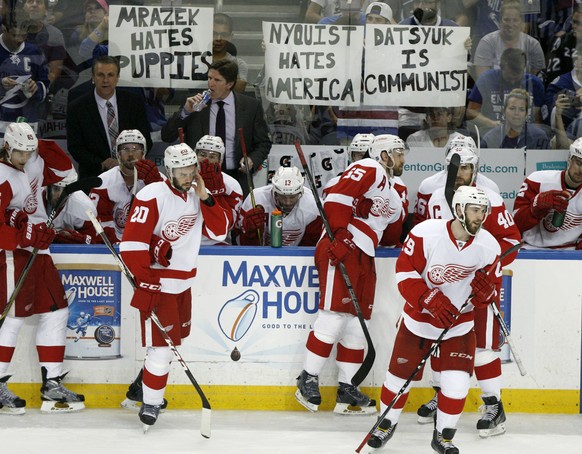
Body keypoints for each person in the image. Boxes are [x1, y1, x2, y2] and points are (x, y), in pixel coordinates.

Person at [367, 186, 501, 452]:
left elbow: (489, 289)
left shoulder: (489, 246)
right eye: (476, 210)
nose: (481, 216)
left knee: (457, 384)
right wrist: (428, 298)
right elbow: (404, 272)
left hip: (459, 325)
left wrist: (486, 295)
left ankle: (443, 436)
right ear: (460, 210)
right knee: (398, 378)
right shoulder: (425, 233)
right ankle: (384, 425)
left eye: (484, 211)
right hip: (418, 321)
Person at [119, 142, 233, 429]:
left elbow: (220, 231)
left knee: (170, 344)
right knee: (162, 349)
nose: (188, 176)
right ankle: (151, 404)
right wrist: (146, 281)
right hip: (158, 284)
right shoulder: (152, 195)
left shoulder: (197, 193)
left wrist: (206, 197)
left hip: (184, 284)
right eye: (182, 171)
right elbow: (131, 246)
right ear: (169, 171)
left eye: (191, 169)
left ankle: (139, 390)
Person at [413, 146, 521, 438]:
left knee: (483, 348)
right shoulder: (436, 199)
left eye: (465, 168)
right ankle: (443, 395)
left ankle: (494, 406)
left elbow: (512, 241)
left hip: (479, 289)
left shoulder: (490, 199)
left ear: (475, 170)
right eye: (455, 167)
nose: (459, 174)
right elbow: (424, 238)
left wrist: (488, 272)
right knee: (439, 343)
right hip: (445, 286)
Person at [295, 134, 403, 415]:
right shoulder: (369, 167)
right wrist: (341, 235)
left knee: (357, 323)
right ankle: (306, 378)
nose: (403, 158)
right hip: (343, 246)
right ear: (383, 154)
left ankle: (347, 388)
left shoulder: (391, 187)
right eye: (398, 152)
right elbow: (337, 197)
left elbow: (390, 232)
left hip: (365, 253)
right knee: (333, 316)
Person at [0, 122, 85, 415]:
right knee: (13, 318)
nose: (25, 158)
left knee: (56, 310)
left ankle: (51, 383)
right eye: (19, 152)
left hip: (40, 250)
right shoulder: (1, 177)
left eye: (29, 151)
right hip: (13, 256)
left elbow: (67, 172)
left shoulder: (35, 161)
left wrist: (44, 144)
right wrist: (22, 237)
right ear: (7, 147)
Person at [161, 60, 271, 197]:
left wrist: (252, 160)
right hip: (198, 178)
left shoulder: (250, 107)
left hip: (236, 177)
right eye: (209, 78)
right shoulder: (195, 104)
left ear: (229, 84)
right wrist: (186, 112)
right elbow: (167, 136)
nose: (210, 83)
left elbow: (263, 143)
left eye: (217, 80)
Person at [66, 55, 152, 179]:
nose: (105, 80)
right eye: (100, 75)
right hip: (94, 178)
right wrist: (102, 164)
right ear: (93, 77)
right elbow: (75, 147)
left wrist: (125, 161)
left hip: (131, 176)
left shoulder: (134, 102)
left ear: (117, 78)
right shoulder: (77, 108)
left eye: (111, 75)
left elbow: (146, 140)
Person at [89, 129, 162, 244]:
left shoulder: (157, 178)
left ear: (143, 152)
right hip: (113, 246)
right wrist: (117, 244)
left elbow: (167, 215)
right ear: (118, 153)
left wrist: (157, 186)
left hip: (146, 242)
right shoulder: (103, 183)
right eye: (125, 149)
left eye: (135, 149)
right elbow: (99, 224)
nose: (131, 154)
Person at [413, 133, 499, 226]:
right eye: (455, 165)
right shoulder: (429, 186)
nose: (458, 173)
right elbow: (420, 223)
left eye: (464, 167)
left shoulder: (490, 189)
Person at [512, 137, 582, 249]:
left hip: (570, 253)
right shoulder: (537, 180)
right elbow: (515, 224)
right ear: (570, 159)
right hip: (531, 249)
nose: (581, 170)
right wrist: (535, 209)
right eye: (579, 163)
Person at [466, 48, 545, 135]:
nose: (512, 81)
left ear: (524, 69)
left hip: (525, 135)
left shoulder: (535, 84)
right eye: (509, 77)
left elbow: (537, 119)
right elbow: (471, 112)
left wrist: (533, 134)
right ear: (501, 67)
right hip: (492, 132)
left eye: (517, 77)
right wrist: (490, 123)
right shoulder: (486, 79)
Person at [237, 166, 322, 246]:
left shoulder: (313, 204)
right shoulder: (256, 199)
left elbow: (312, 246)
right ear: (275, 192)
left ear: (301, 193)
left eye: (292, 197)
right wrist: (248, 233)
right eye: (283, 196)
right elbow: (237, 238)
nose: (288, 202)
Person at [472, 0, 545, 80]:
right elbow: (482, 81)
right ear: (500, 21)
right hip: (493, 91)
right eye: (506, 20)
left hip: (523, 91)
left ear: (522, 22)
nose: (510, 24)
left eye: (515, 20)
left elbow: (536, 83)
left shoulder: (533, 45)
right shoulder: (486, 43)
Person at [0, 12, 49, 124]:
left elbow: (46, 86)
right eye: (14, 35)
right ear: (4, 29)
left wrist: (36, 89)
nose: (20, 40)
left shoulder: (34, 52)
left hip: (27, 123)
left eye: (24, 35)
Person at [195, 135, 243, 245]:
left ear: (220, 160)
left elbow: (229, 226)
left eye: (212, 156)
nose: (206, 159)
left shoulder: (232, 185)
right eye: (202, 154)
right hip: (186, 242)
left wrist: (215, 192)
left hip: (217, 243)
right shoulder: (185, 179)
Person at [482, 88, 550, 149]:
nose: (516, 113)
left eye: (521, 109)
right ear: (504, 111)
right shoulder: (490, 139)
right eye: (512, 108)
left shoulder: (539, 137)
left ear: (526, 114)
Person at [48, 168, 99, 245]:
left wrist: (79, 238)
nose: (60, 196)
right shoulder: (32, 197)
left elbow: (95, 246)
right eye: (56, 188)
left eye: (66, 189)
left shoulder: (84, 207)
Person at [211, 13, 248, 93]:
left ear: (230, 37)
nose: (218, 38)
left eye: (224, 35)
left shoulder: (239, 64)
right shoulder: (196, 61)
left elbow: (239, 90)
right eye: (214, 34)